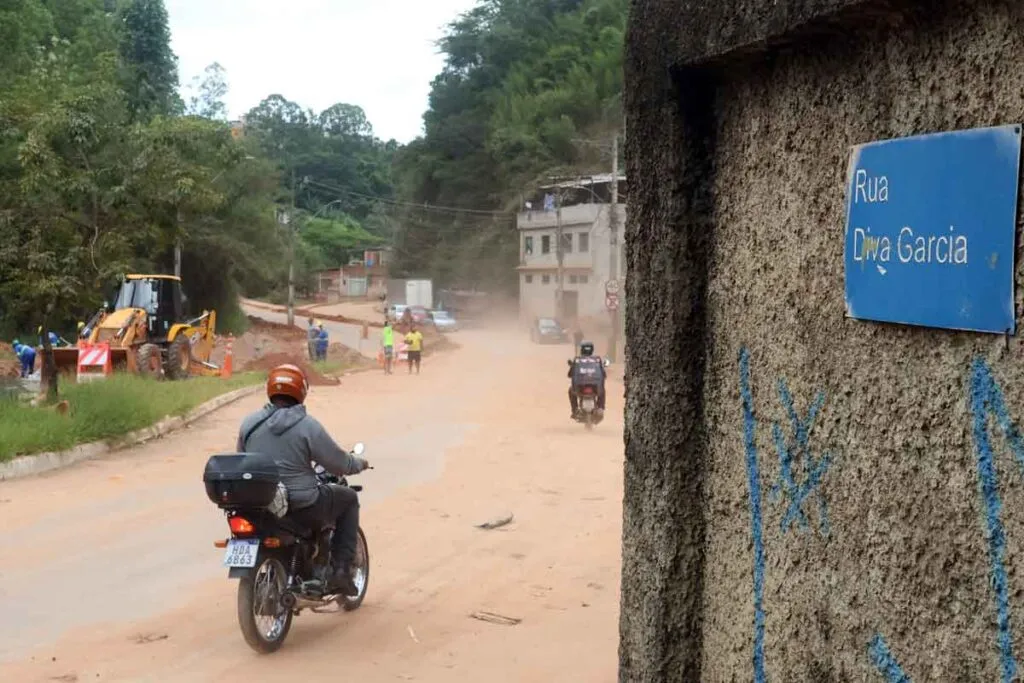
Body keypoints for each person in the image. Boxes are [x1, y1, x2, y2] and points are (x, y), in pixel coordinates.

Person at [237, 364, 370, 596]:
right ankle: (340, 572)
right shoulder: (307, 426)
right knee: (348, 499)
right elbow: (338, 463)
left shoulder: (249, 424)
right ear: (301, 391)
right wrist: (359, 463)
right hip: (302, 505)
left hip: (259, 505)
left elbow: (242, 460)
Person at [567, 341, 606, 419]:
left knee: (571, 390)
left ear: (582, 349)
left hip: (580, 385)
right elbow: (604, 374)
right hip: (595, 385)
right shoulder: (597, 360)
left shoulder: (577, 360)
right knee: (602, 391)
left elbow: (570, 374)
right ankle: (601, 407)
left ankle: (575, 409)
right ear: (592, 349)